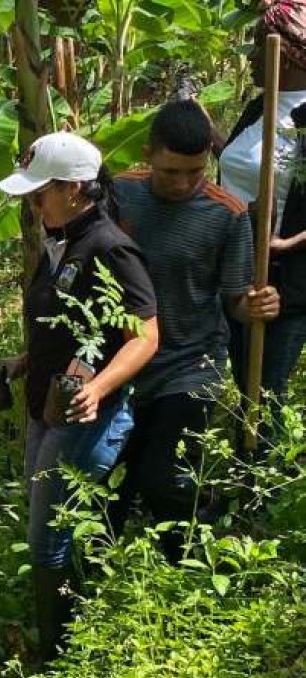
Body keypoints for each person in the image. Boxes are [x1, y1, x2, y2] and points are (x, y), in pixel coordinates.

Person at [0, 132, 159, 663]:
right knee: (45, 518)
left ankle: (59, 658)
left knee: (48, 537)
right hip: (46, 405)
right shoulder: (58, 238)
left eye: (40, 193)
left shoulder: (108, 247)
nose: (33, 203)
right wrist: (26, 361)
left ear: (74, 189)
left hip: (84, 414)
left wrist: (97, 387)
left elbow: (146, 334)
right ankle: (69, 629)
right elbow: (68, 324)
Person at [112, 100, 280, 561]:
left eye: (196, 171)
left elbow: (235, 302)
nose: (183, 183)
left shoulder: (227, 213)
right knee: (112, 481)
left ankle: (189, 566)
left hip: (190, 363)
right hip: (123, 362)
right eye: (170, 172)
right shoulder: (119, 195)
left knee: (165, 478)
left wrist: (257, 305)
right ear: (149, 155)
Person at [219, 1, 306, 427]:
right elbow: (242, 172)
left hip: (285, 283)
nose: (251, 58)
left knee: (265, 395)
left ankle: (263, 487)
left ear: (287, 53)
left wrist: (288, 242)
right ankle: (241, 479)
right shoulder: (260, 106)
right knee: (243, 388)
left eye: (258, 47)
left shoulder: (303, 116)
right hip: (237, 272)